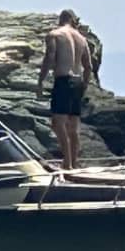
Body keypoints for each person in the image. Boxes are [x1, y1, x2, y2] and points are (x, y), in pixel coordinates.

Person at [36, 9, 93, 169]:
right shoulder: (82, 39)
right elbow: (88, 66)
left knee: (58, 123)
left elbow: (49, 57)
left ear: (61, 19)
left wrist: (41, 80)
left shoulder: (55, 35)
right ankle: (73, 162)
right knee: (73, 126)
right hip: (77, 82)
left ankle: (67, 163)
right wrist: (84, 85)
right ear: (73, 20)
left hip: (63, 80)